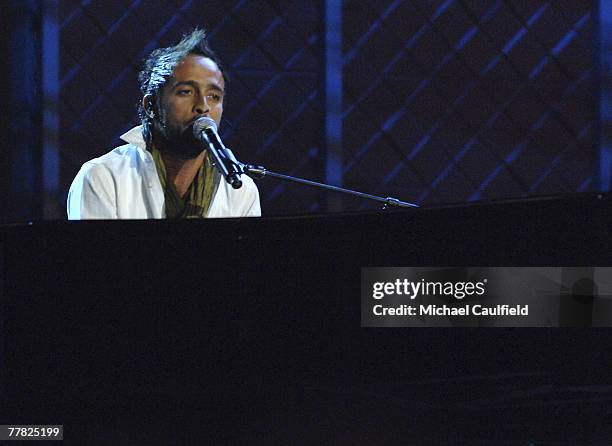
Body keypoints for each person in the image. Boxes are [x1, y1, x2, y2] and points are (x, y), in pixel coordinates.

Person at [67, 29, 260, 219]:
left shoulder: (241, 190)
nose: (203, 106)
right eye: (186, 91)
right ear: (151, 105)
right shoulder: (104, 177)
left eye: (214, 96)